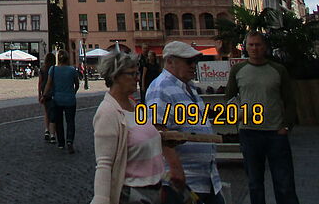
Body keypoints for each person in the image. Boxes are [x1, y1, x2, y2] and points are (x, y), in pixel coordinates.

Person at [225, 31, 300, 204]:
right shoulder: (238, 70)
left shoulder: (278, 70)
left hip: (275, 132)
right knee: (254, 183)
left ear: (264, 47)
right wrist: (236, 114)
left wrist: (286, 127)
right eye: (251, 45)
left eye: (258, 44)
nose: (254, 48)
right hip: (249, 132)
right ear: (245, 47)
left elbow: (290, 100)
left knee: (284, 183)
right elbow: (228, 97)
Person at [145, 41, 224, 204]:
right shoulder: (160, 88)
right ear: (170, 61)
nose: (193, 65)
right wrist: (175, 168)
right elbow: (158, 131)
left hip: (206, 179)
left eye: (194, 61)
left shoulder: (189, 87)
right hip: (182, 182)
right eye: (189, 61)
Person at [91, 51, 165, 204]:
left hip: (156, 189)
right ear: (115, 76)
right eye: (132, 74)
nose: (137, 78)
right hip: (134, 194)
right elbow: (104, 164)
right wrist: (102, 199)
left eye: (137, 73)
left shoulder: (134, 105)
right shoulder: (107, 112)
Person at [42, 49, 80, 153]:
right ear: (68, 59)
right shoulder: (72, 70)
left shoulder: (53, 69)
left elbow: (48, 84)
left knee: (59, 122)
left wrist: (44, 95)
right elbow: (77, 84)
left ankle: (61, 143)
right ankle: (69, 141)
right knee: (70, 121)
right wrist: (73, 92)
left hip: (57, 100)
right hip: (70, 100)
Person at [38, 52, 57, 144]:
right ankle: (53, 133)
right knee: (53, 112)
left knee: (46, 112)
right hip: (52, 92)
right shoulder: (54, 69)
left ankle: (47, 130)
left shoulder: (42, 69)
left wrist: (39, 94)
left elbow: (40, 83)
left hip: (44, 92)